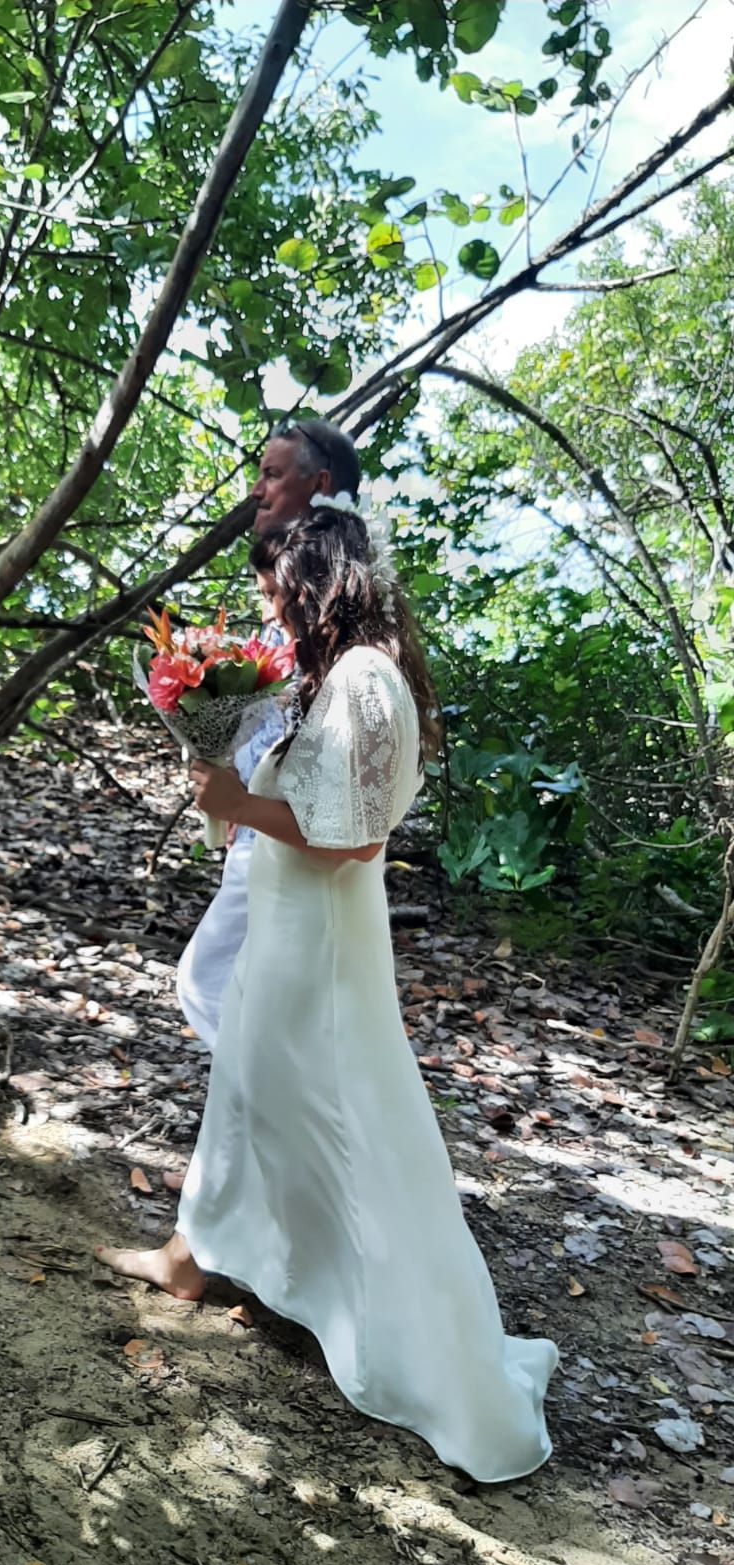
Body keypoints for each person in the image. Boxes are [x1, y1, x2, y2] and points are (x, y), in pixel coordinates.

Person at [100, 501, 558, 1483]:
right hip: (288, 932)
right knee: (253, 1102)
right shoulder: (332, 678)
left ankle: (436, 1357)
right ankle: (207, 1260)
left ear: (318, 585)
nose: (269, 615)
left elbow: (349, 836)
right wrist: (222, 767)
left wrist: (235, 803)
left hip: (318, 947)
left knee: (345, 1129)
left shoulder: (363, 682)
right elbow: (302, 803)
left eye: (276, 595)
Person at [176, 419, 362, 1049]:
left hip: (306, 863)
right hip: (265, 846)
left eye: (273, 474)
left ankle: (274, 1114)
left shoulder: (347, 634)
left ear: (321, 484)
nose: (256, 490)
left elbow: (351, 819)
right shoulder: (297, 610)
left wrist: (245, 805)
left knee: (213, 986)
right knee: (226, 990)